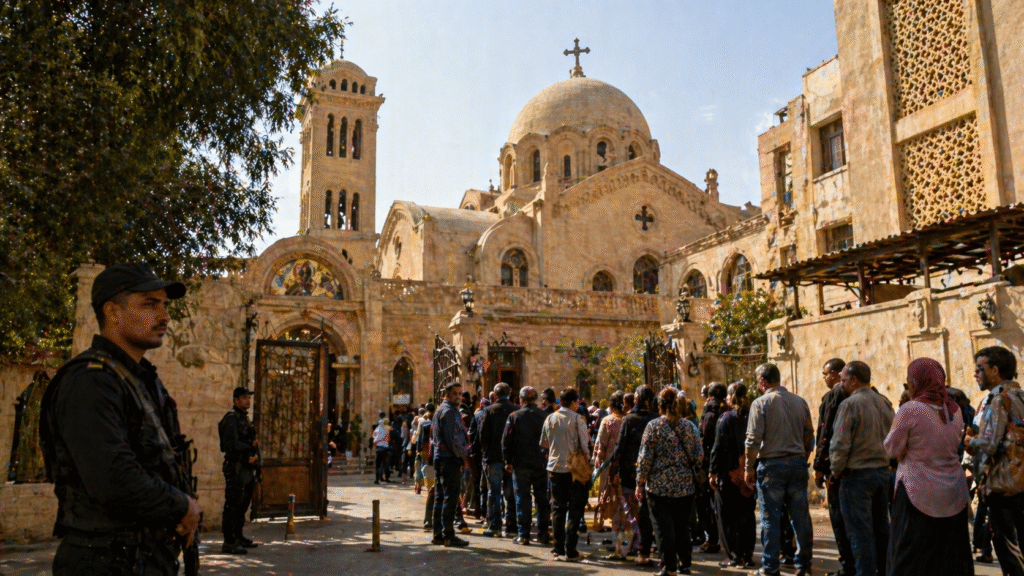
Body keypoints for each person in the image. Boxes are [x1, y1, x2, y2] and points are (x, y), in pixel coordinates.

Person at [40, 262, 201, 575]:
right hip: (106, 560)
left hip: (145, 557)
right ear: (113, 313)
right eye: (150, 304)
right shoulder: (91, 382)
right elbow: (112, 477)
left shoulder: (139, 379)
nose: (165, 316)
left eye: (165, 305)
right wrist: (181, 506)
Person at [884, 357, 973, 576]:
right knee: (949, 556)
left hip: (918, 492)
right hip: (953, 491)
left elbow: (892, 449)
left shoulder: (911, 409)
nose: (909, 385)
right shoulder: (954, 410)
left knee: (911, 556)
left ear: (917, 381)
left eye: (909, 380)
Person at [744, 362, 814, 576]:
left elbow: (753, 440)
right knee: (800, 516)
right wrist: (802, 455)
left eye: (757, 382)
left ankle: (770, 567)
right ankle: (804, 566)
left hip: (772, 466)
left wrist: (748, 468)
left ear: (763, 382)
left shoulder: (760, 403)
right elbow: (809, 434)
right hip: (797, 463)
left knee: (770, 518)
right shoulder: (799, 401)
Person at [828, 361, 894, 576]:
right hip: (882, 473)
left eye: (844, 379)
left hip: (857, 476)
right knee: (881, 529)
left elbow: (840, 443)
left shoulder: (850, 404)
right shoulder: (884, 403)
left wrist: (834, 471)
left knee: (860, 533)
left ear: (855, 380)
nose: (841, 382)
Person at [968, 346, 1024, 575]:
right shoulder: (1020, 396)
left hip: (1004, 486)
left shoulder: (997, 401)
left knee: (1008, 549)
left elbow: (990, 444)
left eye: (980, 368)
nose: (976, 374)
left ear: (995, 370)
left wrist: (970, 442)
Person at [636, 388, 702, 576]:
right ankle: (685, 562)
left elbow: (645, 459)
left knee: (664, 528)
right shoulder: (690, 427)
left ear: (659, 405)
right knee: (682, 526)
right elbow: (699, 455)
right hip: (685, 487)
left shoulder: (654, 426)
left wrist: (640, 483)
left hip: (659, 487)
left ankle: (669, 566)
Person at [812, 358, 854, 576]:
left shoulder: (835, 396)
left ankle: (849, 565)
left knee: (840, 518)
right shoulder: (868, 397)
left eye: (826, 373)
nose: (824, 377)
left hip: (837, 469)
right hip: (860, 468)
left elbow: (825, 432)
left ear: (837, 374)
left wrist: (819, 465)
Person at [540, 387, 590, 561]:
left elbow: (544, 443)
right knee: (575, 510)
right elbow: (585, 446)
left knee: (558, 509)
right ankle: (571, 549)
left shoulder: (549, 418)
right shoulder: (578, 420)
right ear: (575, 402)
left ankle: (557, 547)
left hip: (554, 468)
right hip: (573, 471)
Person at [710, 382, 756, 568]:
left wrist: (712, 471)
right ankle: (747, 553)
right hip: (748, 472)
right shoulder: (753, 416)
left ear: (730, 397)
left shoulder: (726, 419)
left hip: (728, 475)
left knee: (727, 516)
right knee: (747, 514)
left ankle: (735, 556)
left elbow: (718, 447)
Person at [610, 385, 658, 564]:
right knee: (648, 512)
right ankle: (645, 547)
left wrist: (612, 472)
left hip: (631, 473)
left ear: (636, 400)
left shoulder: (629, 419)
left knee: (630, 513)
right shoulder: (657, 419)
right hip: (653, 473)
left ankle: (628, 547)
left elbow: (619, 448)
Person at [502, 386, 550, 545]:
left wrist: (508, 461)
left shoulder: (515, 416)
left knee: (522, 499)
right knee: (542, 499)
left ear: (521, 400)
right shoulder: (544, 416)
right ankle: (543, 534)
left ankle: (524, 534)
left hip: (521, 464)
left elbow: (506, 440)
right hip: (540, 464)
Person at [218, 386, 261, 554]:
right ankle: (229, 541)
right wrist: (249, 447)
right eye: (244, 398)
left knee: (243, 505)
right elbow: (229, 445)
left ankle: (238, 536)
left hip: (246, 468)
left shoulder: (243, 418)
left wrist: (254, 456)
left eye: (249, 398)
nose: (248, 400)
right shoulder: (231, 419)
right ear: (236, 400)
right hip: (235, 468)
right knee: (233, 505)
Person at [431, 382, 470, 547]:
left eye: (460, 393)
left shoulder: (447, 410)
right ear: (447, 394)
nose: (459, 397)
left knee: (441, 496)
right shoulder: (447, 411)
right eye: (455, 393)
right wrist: (461, 455)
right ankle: (448, 535)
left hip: (443, 458)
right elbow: (451, 439)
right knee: (450, 496)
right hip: (449, 459)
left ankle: (438, 533)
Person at [480, 382, 518, 537]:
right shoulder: (516, 410)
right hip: (511, 458)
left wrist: (485, 452)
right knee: (511, 492)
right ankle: (511, 526)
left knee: (494, 492)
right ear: (509, 392)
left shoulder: (489, 411)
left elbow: (483, 435)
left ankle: (495, 525)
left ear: (495, 395)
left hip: (493, 456)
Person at [695, 382, 725, 553]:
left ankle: (712, 539)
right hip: (728, 465)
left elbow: (705, 441)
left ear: (710, 396)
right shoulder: (730, 411)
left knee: (707, 504)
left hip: (709, 466)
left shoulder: (708, 414)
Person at [592, 390, 625, 536]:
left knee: (607, 493)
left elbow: (600, 443)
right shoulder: (628, 420)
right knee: (622, 495)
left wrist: (597, 458)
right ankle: (622, 524)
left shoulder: (608, 421)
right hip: (624, 464)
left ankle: (607, 523)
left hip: (609, 465)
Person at [372, 418, 391, 484]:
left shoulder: (377, 429)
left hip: (378, 448)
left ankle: (377, 479)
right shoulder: (386, 430)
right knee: (385, 464)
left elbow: (374, 437)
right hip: (385, 448)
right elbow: (388, 439)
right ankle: (386, 478)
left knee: (378, 465)